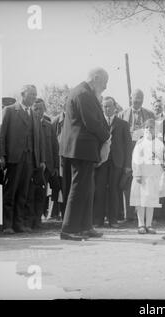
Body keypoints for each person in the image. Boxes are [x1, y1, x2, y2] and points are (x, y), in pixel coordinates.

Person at [59, 68, 111, 241]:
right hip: (80, 148)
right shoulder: (83, 93)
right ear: (96, 78)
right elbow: (92, 122)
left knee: (87, 188)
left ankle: (85, 226)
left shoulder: (85, 92)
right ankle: (69, 228)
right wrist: (107, 137)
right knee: (79, 187)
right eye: (104, 82)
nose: (105, 87)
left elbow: (96, 120)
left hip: (83, 149)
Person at [0, 85, 46, 234]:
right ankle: (7, 225)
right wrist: (0, 155)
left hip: (30, 159)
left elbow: (39, 139)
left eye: (35, 95)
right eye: (31, 95)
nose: (34, 98)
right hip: (13, 158)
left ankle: (19, 224)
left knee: (24, 193)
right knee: (11, 191)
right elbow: (0, 135)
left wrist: (41, 159)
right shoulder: (10, 110)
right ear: (22, 94)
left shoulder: (35, 115)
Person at [93, 96, 132, 227]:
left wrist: (127, 165)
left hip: (117, 162)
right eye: (104, 106)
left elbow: (128, 146)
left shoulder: (123, 124)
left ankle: (113, 220)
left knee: (115, 191)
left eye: (109, 106)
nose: (107, 108)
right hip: (101, 162)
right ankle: (98, 220)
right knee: (99, 190)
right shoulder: (97, 123)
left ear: (115, 107)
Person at [119, 89, 155, 221]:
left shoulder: (150, 114)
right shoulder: (122, 114)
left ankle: (145, 217)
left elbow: (155, 134)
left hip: (145, 154)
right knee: (128, 184)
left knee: (146, 184)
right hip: (128, 153)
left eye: (141, 98)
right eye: (136, 98)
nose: (138, 101)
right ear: (130, 98)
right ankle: (128, 215)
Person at [26, 99, 59, 229]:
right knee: (30, 193)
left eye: (41, 109)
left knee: (41, 193)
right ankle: (29, 220)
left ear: (44, 109)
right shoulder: (28, 125)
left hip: (47, 167)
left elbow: (55, 147)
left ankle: (37, 219)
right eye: (36, 109)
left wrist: (55, 166)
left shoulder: (49, 126)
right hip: (32, 165)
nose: (39, 112)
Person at [130, 119, 164, 234]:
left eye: (152, 127)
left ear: (156, 130)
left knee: (150, 200)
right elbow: (135, 159)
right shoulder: (140, 142)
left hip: (154, 175)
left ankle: (149, 224)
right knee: (141, 200)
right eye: (147, 127)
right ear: (144, 129)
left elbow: (163, 158)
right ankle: (141, 224)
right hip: (142, 175)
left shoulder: (159, 143)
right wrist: (137, 173)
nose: (149, 129)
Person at [50, 109, 66, 220]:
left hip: (69, 158)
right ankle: (56, 212)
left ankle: (65, 214)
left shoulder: (75, 118)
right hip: (58, 158)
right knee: (58, 186)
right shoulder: (55, 121)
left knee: (67, 186)